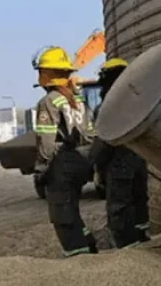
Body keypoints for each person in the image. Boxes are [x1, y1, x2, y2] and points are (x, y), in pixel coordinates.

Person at [32, 46, 98, 257]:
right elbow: (90, 132)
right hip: (83, 158)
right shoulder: (77, 99)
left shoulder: (49, 101)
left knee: (62, 215)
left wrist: (42, 171)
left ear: (48, 74)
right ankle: (90, 246)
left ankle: (80, 259)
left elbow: (47, 143)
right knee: (72, 210)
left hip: (63, 161)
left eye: (41, 70)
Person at [90, 58, 151, 248]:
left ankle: (128, 249)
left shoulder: (108, 106)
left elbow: (103, 141)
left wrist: (93, 163)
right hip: (139, 161)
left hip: (119, 165)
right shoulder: (139, 100)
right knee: (139, 201)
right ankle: (142, 239)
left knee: (119, 208)